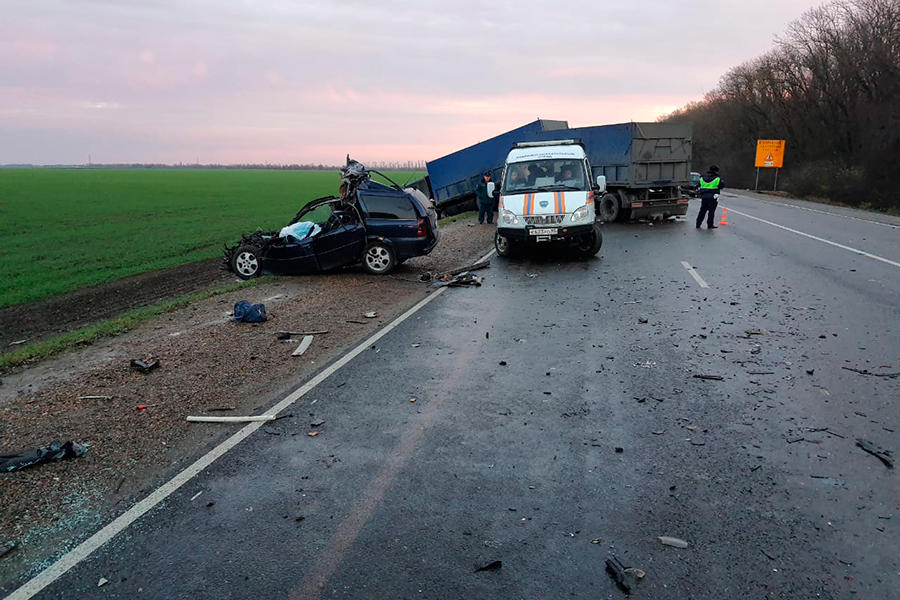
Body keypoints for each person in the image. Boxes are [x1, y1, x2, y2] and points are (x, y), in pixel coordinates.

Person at [696, 165, 724, 229]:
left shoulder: (702, 178)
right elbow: (721, 186)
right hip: (713, 197)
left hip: (704, 196)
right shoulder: (717, 178)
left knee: (702, 211)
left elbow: (698, 185)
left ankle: (698, 223)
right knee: (711, 211)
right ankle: (710, 225)